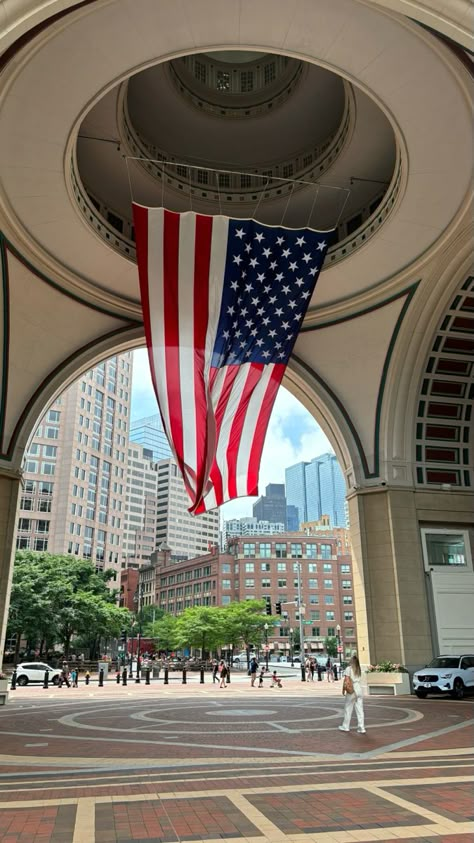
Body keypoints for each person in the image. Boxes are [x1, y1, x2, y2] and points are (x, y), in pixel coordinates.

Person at [339, 654, 366, 734]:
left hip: (352, 689)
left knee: (348, 708)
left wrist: (344, 689)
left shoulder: (349, 668)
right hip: (359, 689)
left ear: (352, 661)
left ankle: (346, 726)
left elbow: (346, 680)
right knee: (360, 709)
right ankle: (361, 727)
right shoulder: (358, 669)